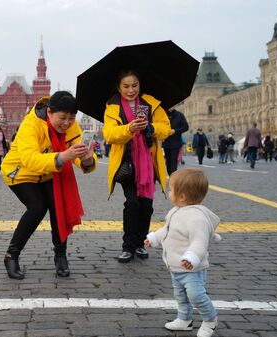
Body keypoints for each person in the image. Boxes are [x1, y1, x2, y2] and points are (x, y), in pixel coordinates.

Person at [1, 91, 97, 279]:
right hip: (20, 172)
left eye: (71, 118)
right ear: (49, 112)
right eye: (62, 118)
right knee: (37, 207)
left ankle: (60, 256)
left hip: (48, 171)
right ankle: (11, 255)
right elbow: (30, 160)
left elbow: (76, 152)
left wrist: (86, 160)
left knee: (57, 206)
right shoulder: (30, 125)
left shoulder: (70, 125)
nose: (67, 123)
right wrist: (63, 156)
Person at [103, 69, 171, 263]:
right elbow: (109, 134)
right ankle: (128, 246)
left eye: (135, 85)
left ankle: (140, 243)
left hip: (148, 164)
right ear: (119, 87)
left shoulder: (152, 103)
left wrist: (151, 127)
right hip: (126, 163)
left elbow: (166, 128)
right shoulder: (112, 107)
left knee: (146, 206)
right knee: (132, 203)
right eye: (126, 86)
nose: (131, 90)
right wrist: (129, 128)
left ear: (140, 85)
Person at [145, 168, 221, 337]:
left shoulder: (196, 218)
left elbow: (199, 242)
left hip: (191, 268)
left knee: (195, 295)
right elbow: (167, 230)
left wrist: (192, 257)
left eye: (171, 189)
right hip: (176, 267)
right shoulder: (176, 211)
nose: (169, 192)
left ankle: (210, 320)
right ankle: (185, 319)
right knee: (180, 295)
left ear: (182, 196)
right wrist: (154, 239)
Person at [162, 108, 189, 175]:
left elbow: (186, 127)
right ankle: (170, 174)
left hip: (176, 142)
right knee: (168, 161)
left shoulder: (180, 115)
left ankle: (173, 177)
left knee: (173, 161)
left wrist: (175, 131)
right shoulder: (163, 114)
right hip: (166, 142)